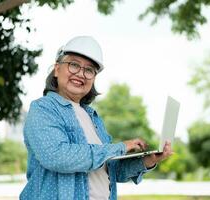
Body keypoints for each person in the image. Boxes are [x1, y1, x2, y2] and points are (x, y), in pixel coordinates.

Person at [20, 36, 173, 200]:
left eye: (89, 70)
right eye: (73, 65)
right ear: (57, 69)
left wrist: (147, 161)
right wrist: (120, 147)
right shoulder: (43, 109)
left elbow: (110, 171)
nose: (80, 74)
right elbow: (57, 157)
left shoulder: (93, 118)